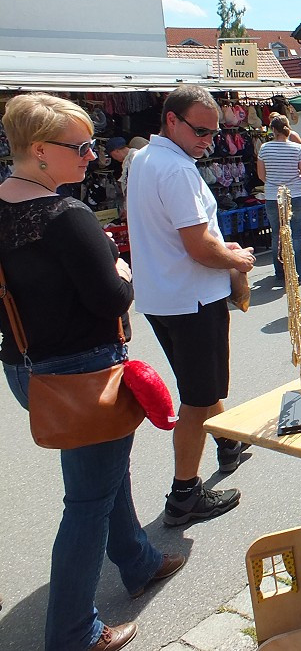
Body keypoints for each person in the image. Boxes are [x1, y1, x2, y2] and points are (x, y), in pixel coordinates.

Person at [0, 93, 185, 651]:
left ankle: (137, 558)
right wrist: (122, 271)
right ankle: (74, 631)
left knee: (104, 475)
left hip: (27, 368)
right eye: (78, 147)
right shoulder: (65, 215)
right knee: (86, 502)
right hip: (82, 373)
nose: (92, 155)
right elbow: (110, 299)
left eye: (92, 144)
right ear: (38, 151)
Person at [127, 85, 254, 528]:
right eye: (201, 131)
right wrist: (236, 257)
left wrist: (221, 249)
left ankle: (228, 444)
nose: (208, 141)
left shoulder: (144, 158)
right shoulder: (177, 170)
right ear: (172, 121)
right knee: (197, 399)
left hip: (166, 295)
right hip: (192, 296)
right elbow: (199, 247)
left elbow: (183, 237)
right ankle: (184, 495)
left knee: (201, 385)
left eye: (214, 134)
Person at [257, 115, 301, 283]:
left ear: (273, 130)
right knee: (297, 236)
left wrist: (275, 181)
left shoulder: (264, 149)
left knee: (277, 235)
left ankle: (280, 272)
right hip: (296, 194)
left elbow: (261, 175)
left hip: (273, 195)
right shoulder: (297, 149)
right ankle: (298, 273)